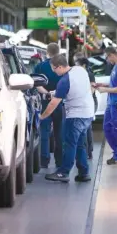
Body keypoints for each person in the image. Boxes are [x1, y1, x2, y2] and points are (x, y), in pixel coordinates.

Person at [41, 54, 95, 183]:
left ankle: (63, 173)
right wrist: (56, 92)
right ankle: (84, 173)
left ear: (60, 66)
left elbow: (54, 103)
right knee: (80, 144)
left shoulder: (65, 80)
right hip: (87, 113)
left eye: (54, 68)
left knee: (69, 144)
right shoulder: (80, 70)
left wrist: (42, 117)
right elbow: (77, 88)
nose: (54, 71)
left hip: (75, 116)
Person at [96, 47, 117, 165]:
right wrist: (103, 84)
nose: (108, 60)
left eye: (107, 57)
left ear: (111, 55)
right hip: (111, 103)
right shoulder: (116, 67)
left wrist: (105, 89)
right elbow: (115, 84)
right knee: (107, 128)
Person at [34, 43, 65, 168]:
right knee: (59, 133)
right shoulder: (63, 66)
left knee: (44, 132)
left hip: (45, 102)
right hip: (61, 102)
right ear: (59, 52)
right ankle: (59, 160)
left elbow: (36, 83)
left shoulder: (40, 66)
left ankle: (44, 160)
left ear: (47, 52)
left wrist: (47, 94)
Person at [74, 56, 97, 159]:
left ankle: (89, 151)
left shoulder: (89, 75)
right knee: (84, 128)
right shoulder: (78, 75)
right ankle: (85, 151)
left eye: (77, 65)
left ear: (83, 65)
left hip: (89, 102)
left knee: (87, 127)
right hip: (82, 102)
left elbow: (92, 90)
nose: (75, 67)